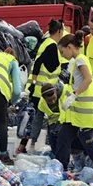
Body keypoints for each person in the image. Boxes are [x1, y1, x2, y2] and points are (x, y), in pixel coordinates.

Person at [55, 31, 93, 171]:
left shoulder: (80, 60)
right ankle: (60, 168)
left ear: (69, 47)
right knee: (63, 138)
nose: (62, 55)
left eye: (62, 51)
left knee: (87, 140)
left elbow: (88, 79)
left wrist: (74, 95)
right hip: (76, 113)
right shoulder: (79, 60)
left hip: (83, 112)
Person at [17, 19, 66, 154]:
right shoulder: (51, 46)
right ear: (60, 31)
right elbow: (40, 64)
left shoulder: (45, 43)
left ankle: (24, 146)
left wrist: (31, 85)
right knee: (40, 119)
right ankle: (30, 146)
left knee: (34, 119)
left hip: (38, 89)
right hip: (45, 90)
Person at [37, 82, 63, 156]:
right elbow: (37, 121)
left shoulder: (63, 95)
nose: (52, 101)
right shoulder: (42, 103)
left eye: (54, 98)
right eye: (49, 100)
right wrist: (33, 140)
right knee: (53, 140)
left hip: (64, 122)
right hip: (52, 125)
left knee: (63, 143)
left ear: (55, 92)